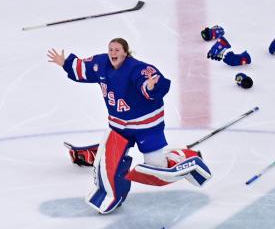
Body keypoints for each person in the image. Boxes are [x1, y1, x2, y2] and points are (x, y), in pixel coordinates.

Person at [47, 38, 211, 214]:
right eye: (111, 49)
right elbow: (84, 68)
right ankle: (111, 195)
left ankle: (185, 157)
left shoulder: (136, 68)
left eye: (117, 50)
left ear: (125, 52)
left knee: (157, 169)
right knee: (107, 167)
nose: (113, 53)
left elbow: (151, 81)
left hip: (147, 126)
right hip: (119, 126)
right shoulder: (101, 64)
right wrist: (66, 63)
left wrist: (150, 87)